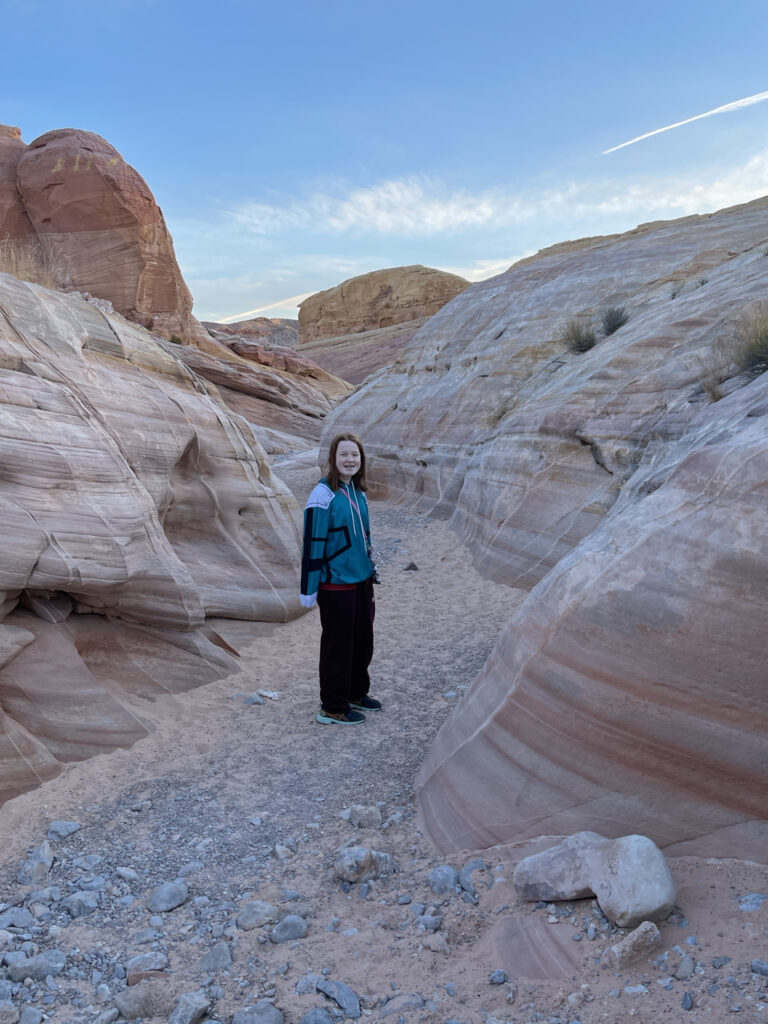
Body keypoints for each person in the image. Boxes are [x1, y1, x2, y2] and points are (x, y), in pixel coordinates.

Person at [301, 432, 382, 725]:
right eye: (344, 455)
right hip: (335, 585)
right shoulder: (322, 495)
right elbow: (312, 543)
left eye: (355, 455)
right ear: (333, 460)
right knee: (338, 645)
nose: (350, 460)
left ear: (361, 460)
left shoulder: (358, 493)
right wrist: (308, 588)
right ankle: (332, 706)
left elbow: (365, 538)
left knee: (363, 640)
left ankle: (356, 692)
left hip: (361, 580)